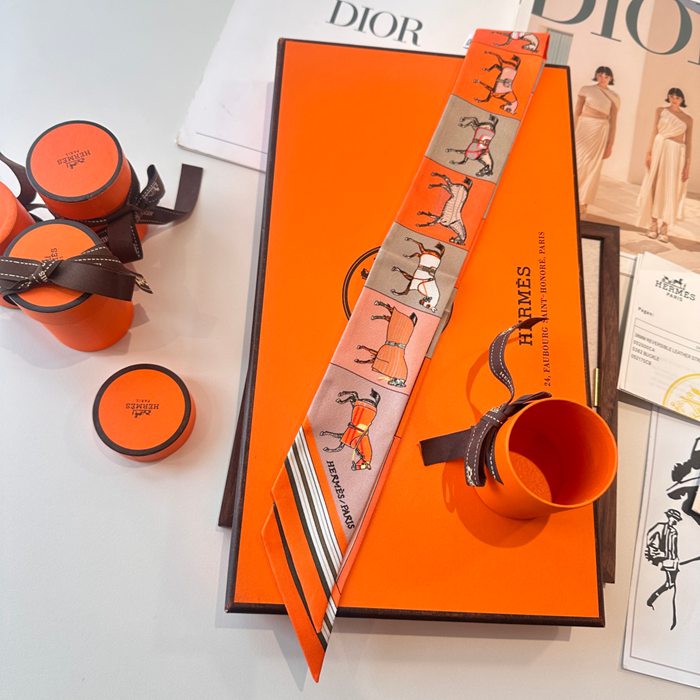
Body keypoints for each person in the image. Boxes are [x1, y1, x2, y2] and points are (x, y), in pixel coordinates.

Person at [637, 87, 693, 243]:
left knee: (671, 188)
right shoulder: (661, 111)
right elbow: (654, 132)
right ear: (668, 97)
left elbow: (689, 143)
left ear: (682, 100)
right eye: (672, 96)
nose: (674, 99)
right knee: (655, 185)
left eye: (678, 97)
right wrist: (649, 153)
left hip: (676, 153)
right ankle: (653, 223)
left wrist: (687, 165)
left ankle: (665, 226)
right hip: (659, 148)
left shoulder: (688, 119)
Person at [574, 66, 620, 216]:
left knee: (592, 167)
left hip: (600, 131)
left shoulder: (614, 97)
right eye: (600, 75)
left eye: (606, 76)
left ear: (610, 78)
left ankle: (583, 202)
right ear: (596, 75)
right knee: (577, 162)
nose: (602, 78)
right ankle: (569, 194)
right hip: (583, 128)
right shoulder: (586, 90)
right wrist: (571, 131)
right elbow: (577, 112)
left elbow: (613, 122)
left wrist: (610, 144)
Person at [645, 508, 682, 629]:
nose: (675, 521)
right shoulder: (660, 527)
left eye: (676, 520)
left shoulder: (674, 532)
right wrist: (657, 557)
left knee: (670, 584)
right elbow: (650, 539)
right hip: (665, 560)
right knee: (671, 584)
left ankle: (652, 599)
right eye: (674, 518)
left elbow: (674, 548)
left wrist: (676, 559)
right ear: (669, 517)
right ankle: (652, 600)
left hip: (673, 561)